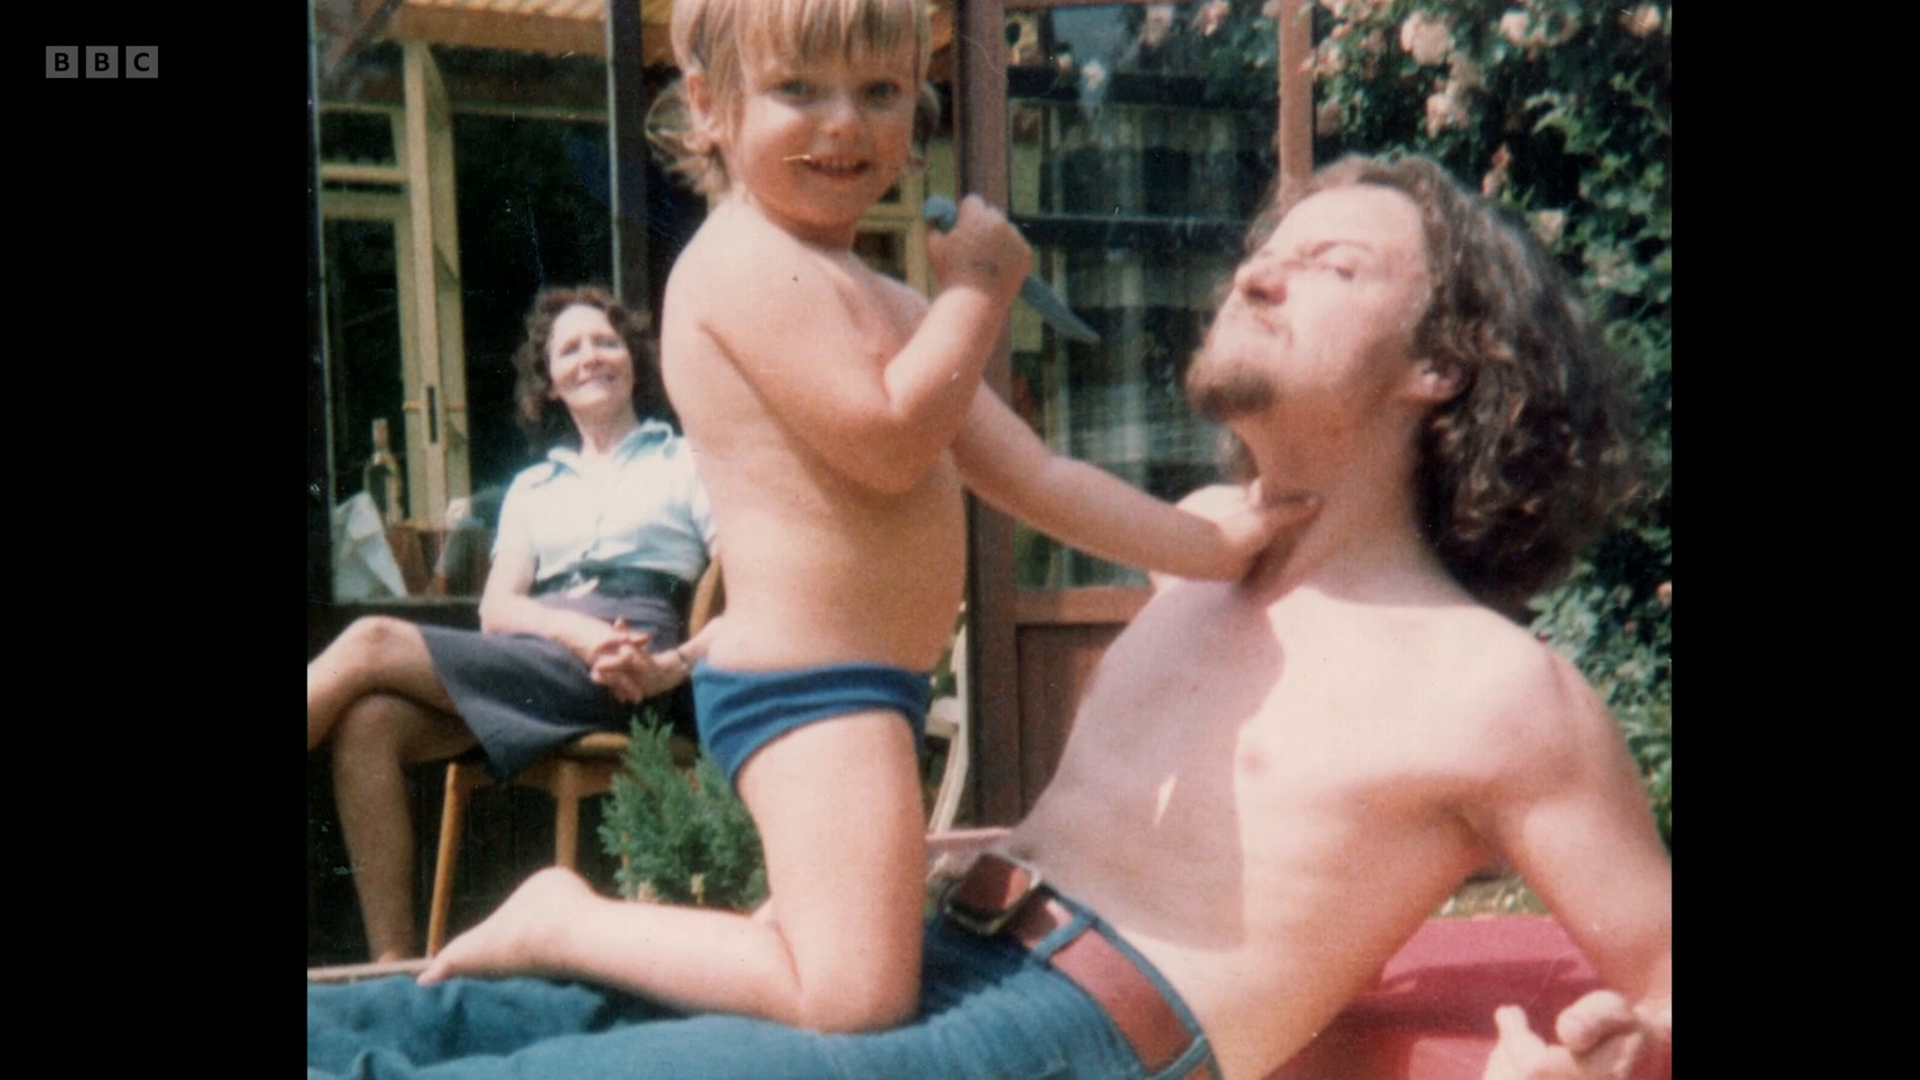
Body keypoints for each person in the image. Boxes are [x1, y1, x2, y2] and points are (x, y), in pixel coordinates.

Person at [310, 154, 1670, 1080]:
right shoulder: (1201, 543)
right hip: (927, 956)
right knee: (404, 1029)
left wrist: (1609, 1055)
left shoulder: (1498, 693)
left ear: (1443, 365)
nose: (1259, 273)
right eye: (1268, 249)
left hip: (1054, 1037)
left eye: (1333, 268)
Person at [385, 0, 1297, 1035]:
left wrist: (1213, 544)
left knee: (836, 947)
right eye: (798, 90)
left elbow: (1035, 476)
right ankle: (565, 919)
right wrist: (977, 295)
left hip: (868, 685)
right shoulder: (739, 265)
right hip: (804, 684)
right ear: (709, 105)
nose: (844, 124)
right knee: (857, 994)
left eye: (880, 91)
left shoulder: (885, 300)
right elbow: (889, 440)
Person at [307, 285, 716, 963]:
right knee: (370, 722)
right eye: (571, 349)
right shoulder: (533, 487)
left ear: (634, 360)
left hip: (629, 662)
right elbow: (499, 610)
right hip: (545, 655)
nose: (591, 357)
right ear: (549, 381)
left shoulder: (688, 461)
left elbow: (749, 588)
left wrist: (669, 667)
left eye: (606, 342)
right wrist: (576, 633)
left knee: (373, 640)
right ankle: (394, 968)